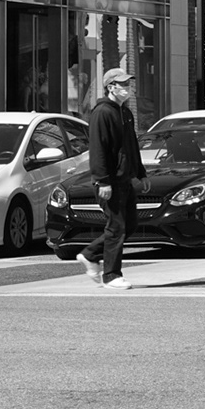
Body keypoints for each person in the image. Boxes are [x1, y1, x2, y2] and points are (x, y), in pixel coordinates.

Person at [77, 68, 144, 290]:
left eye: (128, 84)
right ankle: (111, 275)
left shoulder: (125, 112)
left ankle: (90, 254)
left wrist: (140, 173)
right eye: (123, 84)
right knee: (116, 227)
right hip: (110, 181)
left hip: (125, 179)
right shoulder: (102, 113)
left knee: (130, 225)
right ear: (111, 87)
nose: (127, 88)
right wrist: (102, 181)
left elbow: (131, 145)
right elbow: (98, 150)